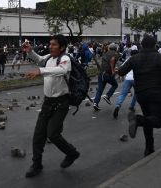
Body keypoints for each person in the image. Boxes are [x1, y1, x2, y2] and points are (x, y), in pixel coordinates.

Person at [23, 34, 80, 178]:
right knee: (38, 135)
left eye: (54, 44)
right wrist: (30, 51)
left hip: (61, 103)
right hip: (47, 102)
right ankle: (37, 164)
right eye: (50, 44)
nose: (50, 46)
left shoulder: (65, 59)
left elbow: (61, 71)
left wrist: (40, 71)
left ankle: (72, 153)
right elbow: (40, 60)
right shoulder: (49, 58)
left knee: (53, 134)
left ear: (62, 47)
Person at [113, 46, 139, 119]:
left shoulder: (128, 59)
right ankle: (132, 106)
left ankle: (118, 106)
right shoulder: (140, 60)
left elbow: (121, 68)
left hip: (128, 79)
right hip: (136, 79)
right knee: (136, 94)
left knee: (123, 94)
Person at [93, 43, 119, 111]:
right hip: (107, 74)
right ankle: (107, 96)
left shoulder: (105, 53)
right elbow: (112, 60)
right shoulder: (115, 54)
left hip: (101, 73)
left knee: (100, 89)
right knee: (115, 85)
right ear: (115, 48)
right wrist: (113, 70)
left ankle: (95, 103)